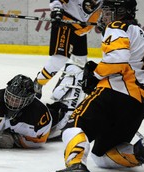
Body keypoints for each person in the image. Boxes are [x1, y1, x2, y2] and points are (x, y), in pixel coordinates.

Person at [47, 0, 144, 172]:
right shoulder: (140, 33)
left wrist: (95, 76)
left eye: (108, 11)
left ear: (121, 11)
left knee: (73, 126)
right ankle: (138, 152)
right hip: (137, 106)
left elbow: (118, 59)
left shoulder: (117, 26)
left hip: (114, 95)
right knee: (102, 155)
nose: (104, 16)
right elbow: (127, 63)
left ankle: (75, 166)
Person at [34, 0, 104, 139]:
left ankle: (70, 102)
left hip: (81, 29)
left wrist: (106, 20)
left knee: (79, 64)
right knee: (59, 58)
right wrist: (56, 10)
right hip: (66, 21)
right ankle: (37, 84)